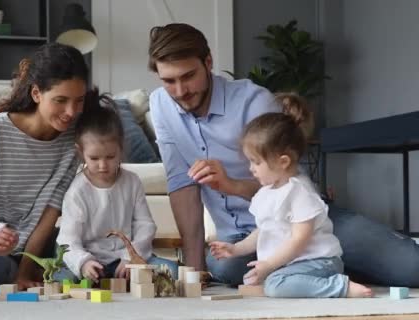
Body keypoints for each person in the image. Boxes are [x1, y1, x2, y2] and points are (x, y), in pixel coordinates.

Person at [148, 22, 419, 287]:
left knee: (410, 269)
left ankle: (326, 262)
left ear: (208, 62)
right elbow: (181, 184)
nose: (180, 91)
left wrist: (231, 185)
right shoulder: (161, 105)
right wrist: (195, 273)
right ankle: (322, 268)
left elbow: (289, 183)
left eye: (188, 76)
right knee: (225, 266)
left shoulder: (253, 101)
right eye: (169, 81)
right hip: (248, 237)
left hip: (306, 218)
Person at [0, 43, 89, 290]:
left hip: (40, 245)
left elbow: (49, 214)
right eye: (60, 100)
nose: (71, 112)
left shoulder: (71, 140)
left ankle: (23, 275)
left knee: (84, 254)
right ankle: (36, 276)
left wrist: (24, 270)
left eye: (79, 101)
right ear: (36, 94)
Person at [210, 93, 372, 298]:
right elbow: (262, 232)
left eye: (256, 162)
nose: (251, 169)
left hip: (318, 260)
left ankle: (340, 287)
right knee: (254, 280)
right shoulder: (267, 192)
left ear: (283, 162)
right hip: (293, 262)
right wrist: (235, 249)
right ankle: (297, 281)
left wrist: (269, 265)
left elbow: (299, 240)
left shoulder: (299, 191)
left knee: (276, 285)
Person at [54, 91, 179, 282]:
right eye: (94, 158)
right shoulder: (77, 190)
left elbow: (145, 226)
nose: (103, 165)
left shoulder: (132, 182)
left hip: (127, 257)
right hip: (93, 260)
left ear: (121, 148)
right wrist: (84, 262)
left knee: (173, 271)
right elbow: (68, 240)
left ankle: (123, 278)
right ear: (81, 152)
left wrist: (131, 258)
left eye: (110, 157)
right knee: (63, 279)